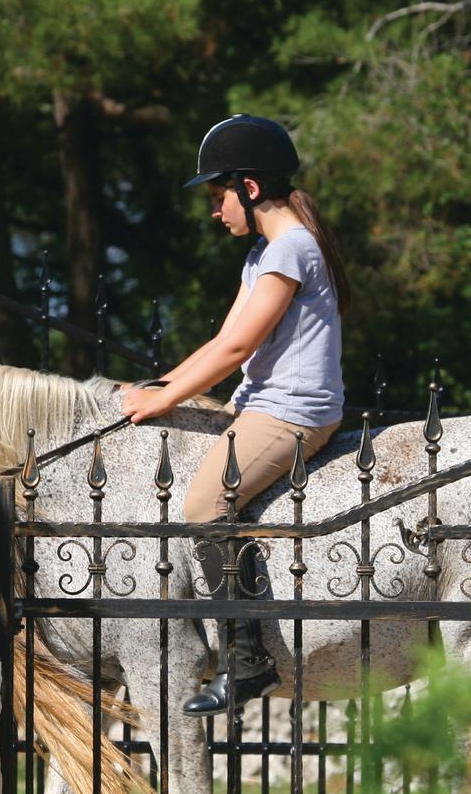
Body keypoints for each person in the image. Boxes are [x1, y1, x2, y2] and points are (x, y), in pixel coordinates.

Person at [121, 115, 350, 715]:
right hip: (260, 406)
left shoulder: (292, 248)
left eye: (218, 194)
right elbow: (222, 340)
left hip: (293, 414)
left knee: (203, 504)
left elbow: (238, 348)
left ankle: (247, 663)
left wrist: (163, 400)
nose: (214, 209)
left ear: (249, 188)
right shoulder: (264, 254)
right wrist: (160, 386)